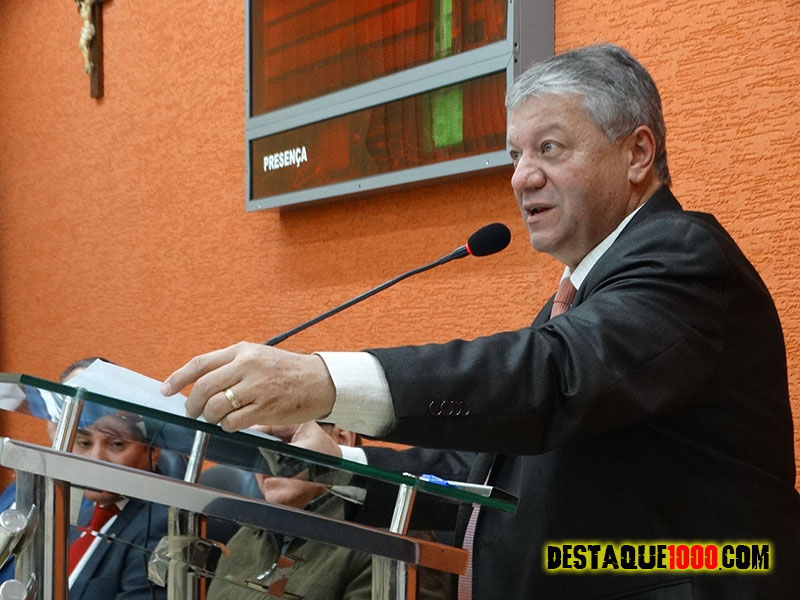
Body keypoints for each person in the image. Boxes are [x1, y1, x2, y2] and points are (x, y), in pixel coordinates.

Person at [161, 43, 800, 599]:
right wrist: (338, 465)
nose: (522, 177)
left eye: (549, 148)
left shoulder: (683, 259)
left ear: (637, 153)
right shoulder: (583, 298)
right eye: (515, 154)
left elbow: (551, 377)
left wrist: (324, 381)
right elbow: (477, 474)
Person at [206, 422, 451, 600]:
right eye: (258, 442)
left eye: (283, 438)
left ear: (342, 437)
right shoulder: (244, 537)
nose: (268, 457)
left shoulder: (389, 538)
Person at [68, 410, 168, 600]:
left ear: (152, 452)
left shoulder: (159, 525)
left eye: (116, 444)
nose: (95, 458)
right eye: (85, 443)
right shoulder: (84, 515)